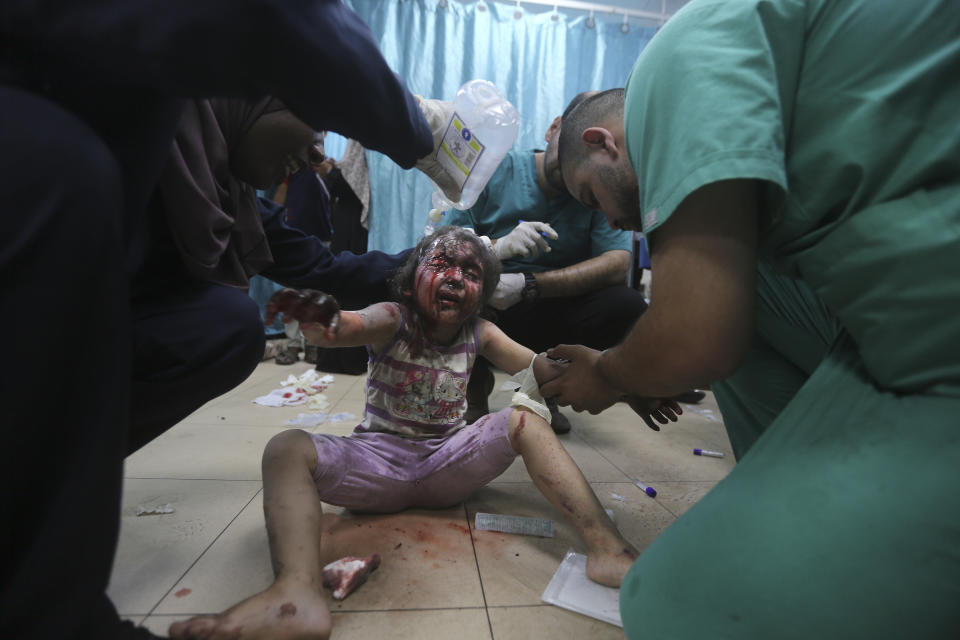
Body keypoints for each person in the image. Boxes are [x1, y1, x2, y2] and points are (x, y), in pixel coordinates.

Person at [0, 3, 462, 639]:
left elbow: (331, 265)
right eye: (315, 127)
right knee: (56, 166)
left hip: (51, 337)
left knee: (222, 327)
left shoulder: (229, 194)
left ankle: (42, 484)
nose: (314, 157)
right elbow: (284, 22)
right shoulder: (135, 113)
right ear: (261, 94)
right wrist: (418, 131)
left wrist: (444, 264)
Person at [543, 0, 960, 637]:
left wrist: (612, 373)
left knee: (667, 603)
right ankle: (806, 507)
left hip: (934, 331)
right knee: (741, 293)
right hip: (898, 308)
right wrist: (650, 365)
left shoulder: (671, 64)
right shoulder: (753, 113)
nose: (613, 222)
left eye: (590, 195)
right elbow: (709, 329)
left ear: (604, 141)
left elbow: (693, 336)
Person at [166, 226, 654, 640]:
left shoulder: (480, 333)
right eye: (443, 263)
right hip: (375, 465)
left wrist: (624, 379)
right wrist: (325, 318)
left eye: (471, 273)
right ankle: (296, 592)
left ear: (482, 295)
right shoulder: (395, 317)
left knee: (524, 417)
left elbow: (542, 370)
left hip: (447, 465)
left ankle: (607, 549)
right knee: (286, 447)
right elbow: (350, 324)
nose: (455, 278)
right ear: (409, 279)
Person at [443, 91, 648, 433]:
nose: (575, 163)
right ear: (554, 129)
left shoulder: (595, 188)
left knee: (624, 303)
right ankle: (470, 388)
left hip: (550, 308)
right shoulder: (495, 170)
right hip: (488, 307)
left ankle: (543, 391)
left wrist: (530, 285)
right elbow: (441, 245)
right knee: (456, 288)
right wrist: (495, 248)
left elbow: (617, 263)